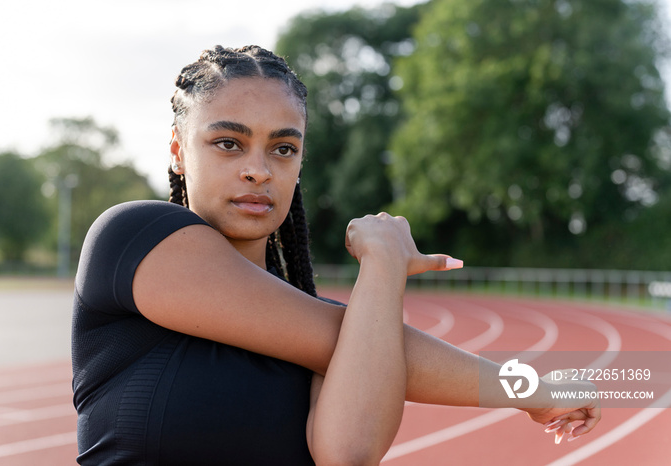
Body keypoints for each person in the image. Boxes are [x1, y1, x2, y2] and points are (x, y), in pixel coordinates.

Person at [71, 45, 600, 465]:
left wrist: (382, 267)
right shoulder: (132, 238)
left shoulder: (343, 345)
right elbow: (339, 332)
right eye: (228, 143)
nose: (259, 169)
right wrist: (532, 389)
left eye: (283, 148)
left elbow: (348, 454)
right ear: (177, 150)